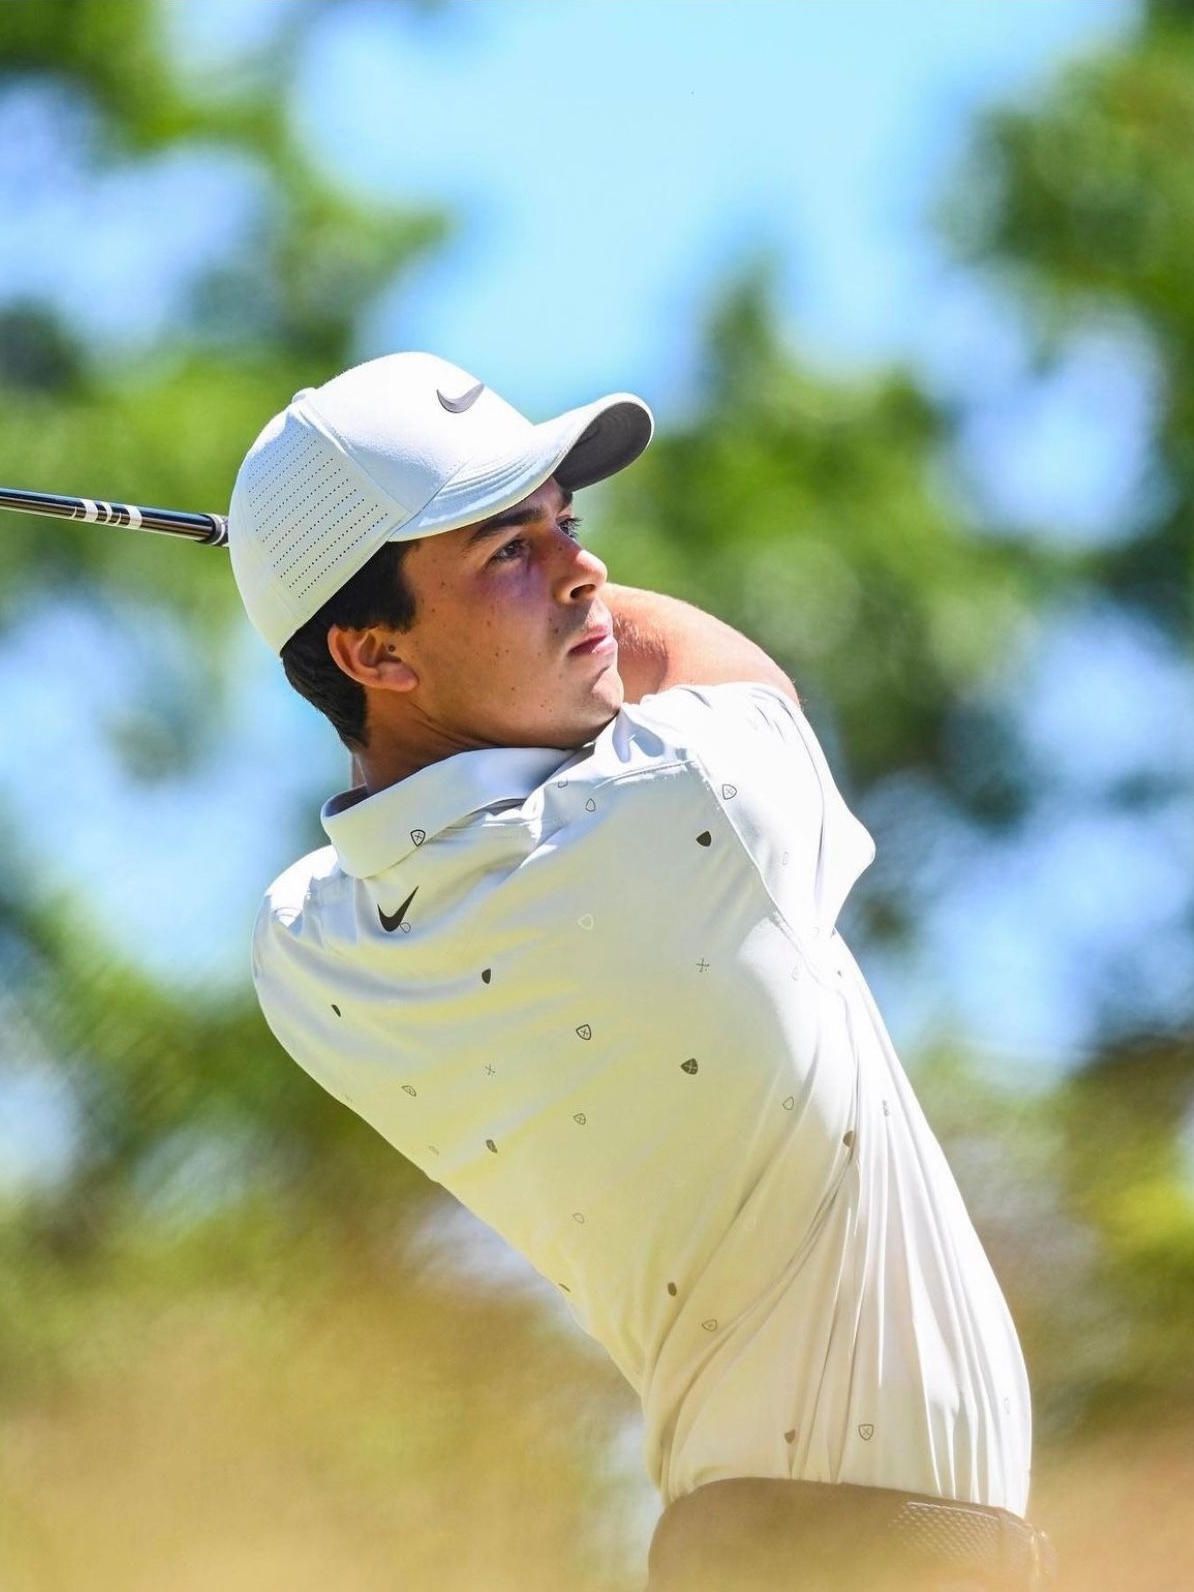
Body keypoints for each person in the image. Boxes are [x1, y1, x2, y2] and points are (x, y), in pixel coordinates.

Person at [226, 352, 1055, 1591]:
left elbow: (400, 785)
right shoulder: (682, 805)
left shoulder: (313, 955)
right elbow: (690, 657)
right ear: (376, 656)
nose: (586, 569)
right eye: (511, 549)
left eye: (570, 522)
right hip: (858, 1555)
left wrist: (374, 590)